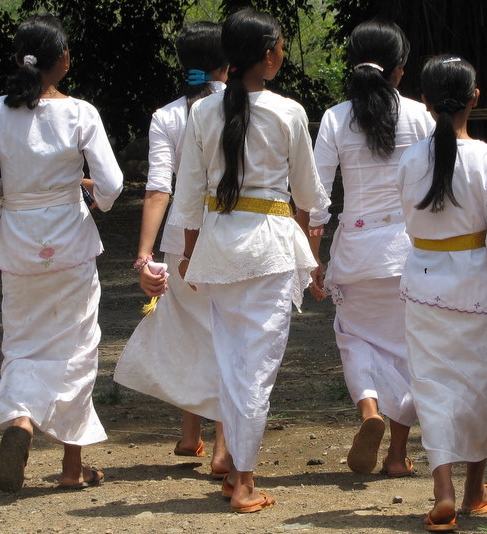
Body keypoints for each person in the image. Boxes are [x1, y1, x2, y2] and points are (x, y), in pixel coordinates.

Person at [0, 14, 123, 492]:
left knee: (22, 343)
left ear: (17, 60)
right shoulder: (81, 113)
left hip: (19, 243)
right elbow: (112, 184)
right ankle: (72, 468)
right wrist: (92, 198)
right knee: (78, 347)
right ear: (63, 61)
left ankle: (21, 419)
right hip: (70, 241)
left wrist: (0, 191)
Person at [168, 7, 330, 513]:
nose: (281, 52)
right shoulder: (289, 112)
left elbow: (189, 195)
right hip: (270, 250)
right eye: (280, 45)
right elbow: (308, 196)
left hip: (219, 248)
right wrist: (313, 255)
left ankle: (236, 466)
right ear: (268, 54)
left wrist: (191, 257)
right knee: (254, 371)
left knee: (233, 363)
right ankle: (243, 482)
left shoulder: (200, 112)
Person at [396, 56, 487, 532]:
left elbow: (409, 222)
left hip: (423, 282)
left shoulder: (410, 158)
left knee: (431, 386)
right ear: (475, 98)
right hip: (475, 287)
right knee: (475, 387)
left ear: (425, 101)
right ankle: (473, 490)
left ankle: (442, 489)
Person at [305, 20, 434, 478]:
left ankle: (368, 411)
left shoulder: (336, 118)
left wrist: (311, 259)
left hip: (356, 250)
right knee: (409, 351)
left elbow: (316, 197)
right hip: (409, 252)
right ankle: (398, 456)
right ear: (400, 69)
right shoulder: (421, 117)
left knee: (353, 337)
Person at [113, 21, 230, 479]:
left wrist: (144, 255)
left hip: (181, 238)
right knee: (228, 330)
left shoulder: (167, 116)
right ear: (230, 62)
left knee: (187, 326)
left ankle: (189, 432)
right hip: (232, 229)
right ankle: (224, 442)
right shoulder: (244, 108)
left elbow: (159, 187)